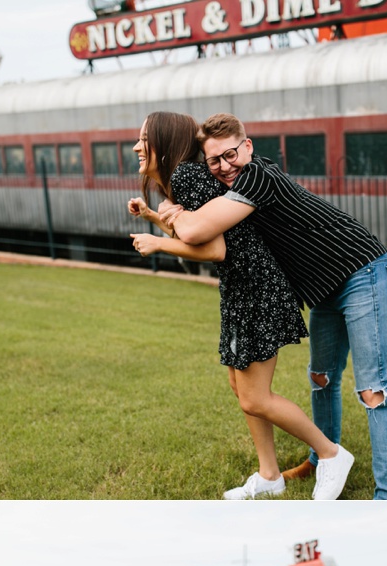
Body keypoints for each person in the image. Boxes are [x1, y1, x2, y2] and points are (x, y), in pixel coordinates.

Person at [158, 113, 387, 499]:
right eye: (214, 161)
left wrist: (175, 216)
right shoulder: (230, 187)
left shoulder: (257, 176)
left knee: (374, 389)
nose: (225, 166)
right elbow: (204, 229)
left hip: (362, 271)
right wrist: (171, 214)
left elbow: (199, 229)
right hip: (324, 288)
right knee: (321, 379)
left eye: (230, 154)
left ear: (248, 146)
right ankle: (320, 461)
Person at [125, 111, 355, 501]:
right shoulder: (185, 179)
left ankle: (331, 454)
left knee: (255, 397)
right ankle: (269, 476)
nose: (136, 147)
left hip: (256, 290)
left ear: (163, 141)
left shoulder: (187, 176)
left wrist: (160, 242)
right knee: (240, 386)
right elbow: (199, 235)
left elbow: (215, 248)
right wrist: (153, 216)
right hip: (241, 289)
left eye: (144, 139)